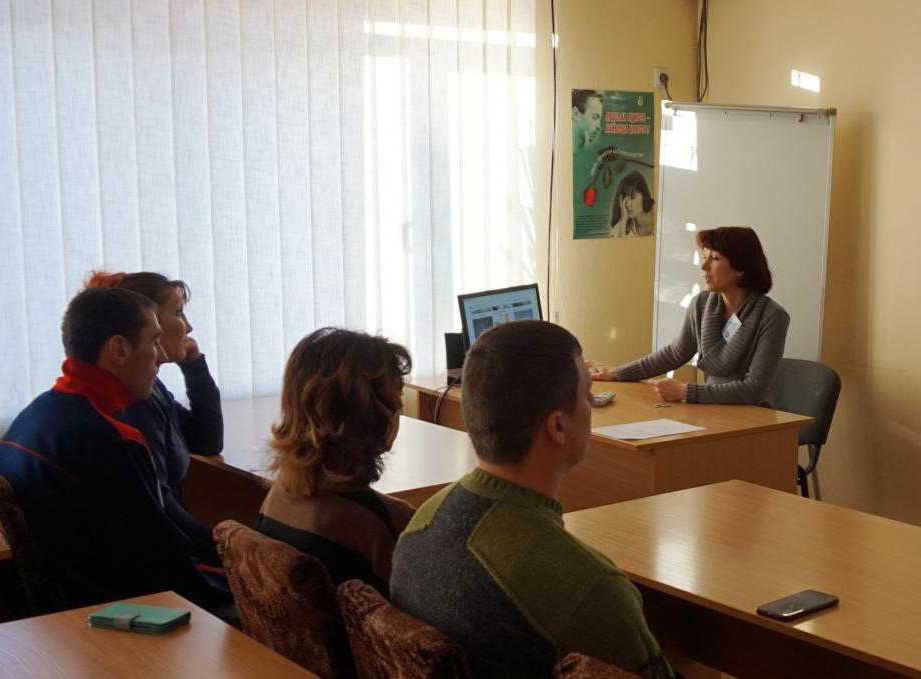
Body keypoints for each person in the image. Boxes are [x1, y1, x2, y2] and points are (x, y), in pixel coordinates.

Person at [390, 321, 673, 679]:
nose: (591, 403)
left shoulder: (419, 526)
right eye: (586, 394)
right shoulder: (590, 589)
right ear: (558, 427)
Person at [0, 287, 232, 610]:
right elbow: (163, 565)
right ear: (120, 350)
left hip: (64, 606)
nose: (160, 355)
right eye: (154, 342)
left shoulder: (35, 416)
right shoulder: (106, 438)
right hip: (107, 613)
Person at [258, 327, 415, 598]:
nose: (400, 409)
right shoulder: (386, 523)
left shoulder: (278, 494)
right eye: (397, 400)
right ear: (370, 415)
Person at [86, 271, 223, 563]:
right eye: (179, 313)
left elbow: (206, 440)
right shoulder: (134, 404)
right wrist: (228, 550)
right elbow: (161, 511)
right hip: (165, 562)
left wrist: (194, 365)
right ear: (150, 321)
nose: (189, 326)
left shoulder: (150, 388)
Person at [587, 226, 790, 406]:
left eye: (715, 258)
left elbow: (753, 390)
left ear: (741, 269)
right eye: (704, 256)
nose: (704, 266)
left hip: (757, 417)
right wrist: (617, 373)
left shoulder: (772, 317)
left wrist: (685, 392)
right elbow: (675, 353)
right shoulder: (701, 304)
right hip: (713, 410)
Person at [609, 171, 656, 237]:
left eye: (632, 197)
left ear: (644, 195)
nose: (627, 204)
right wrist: (623, 222)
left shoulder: (660, 208)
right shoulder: (621, 225)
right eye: (624, 199)